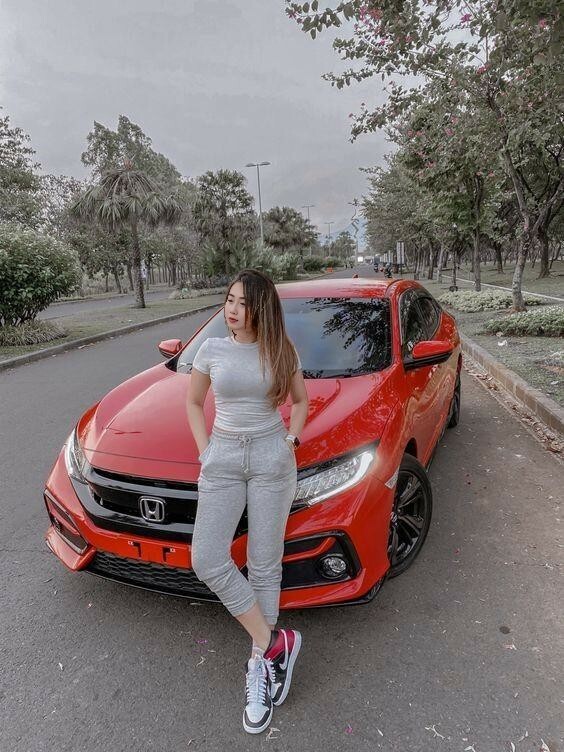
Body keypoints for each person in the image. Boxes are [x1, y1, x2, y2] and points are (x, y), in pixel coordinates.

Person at [186, 268, 309, 735]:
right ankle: (275, 642)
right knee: (206, 558)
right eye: (229, 299)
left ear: (262, 308)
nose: (232, 309)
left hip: (271, 455)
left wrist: (291, 441)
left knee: (264, 564)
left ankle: (261, 663)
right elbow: (193, 403)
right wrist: (205, 451)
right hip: (222, 455)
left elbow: (300, 401)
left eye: (243, 302)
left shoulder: (281, 350)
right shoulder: (211, 349)